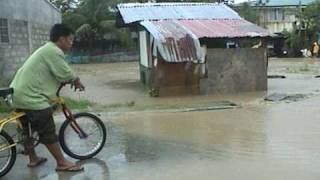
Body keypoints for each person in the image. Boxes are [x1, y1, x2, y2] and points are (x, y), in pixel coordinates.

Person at [10, 24, 85, 172]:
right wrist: (76, 80)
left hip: (17, 95)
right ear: (62, 39)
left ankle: (33, 159)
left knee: (27, 130)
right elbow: (64, 72)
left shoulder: (46, 49)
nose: (71, 43)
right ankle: (62, 162)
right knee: (47, 128)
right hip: (31, 97)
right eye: (70, 39)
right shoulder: (53, 51)